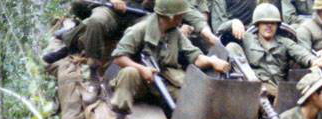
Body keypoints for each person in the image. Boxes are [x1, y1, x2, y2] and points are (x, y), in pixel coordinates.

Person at [45, 0, 219, 105]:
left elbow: (181, 9)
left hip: (140, 15)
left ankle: (149, 71)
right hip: (112, 10)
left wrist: (206, 31)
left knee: (154, 28)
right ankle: (93, 76)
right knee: (95, 22)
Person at [106, 0, 231, 119]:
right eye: (180, 15)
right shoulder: (140, 29)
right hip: (140, 82)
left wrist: (212, 61)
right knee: (129, 72)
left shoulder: (175, 33)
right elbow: (119, 57)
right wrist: (141, 69)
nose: (182, 18)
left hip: (165, 81)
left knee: (189, 99)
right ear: (171, 17)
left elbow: (195, 57)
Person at [222, 3, 322, 96]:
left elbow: (302, 54)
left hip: (277, 91)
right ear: (258, 24)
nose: (269, 26)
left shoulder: (285, 42)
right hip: (252, 88)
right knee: (232, 46)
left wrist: (313, 60)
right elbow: (220, 34)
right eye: (265, 23)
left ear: (277, 25)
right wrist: (233, 22)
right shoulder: (247, 39)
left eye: (273, 23)